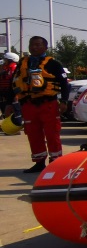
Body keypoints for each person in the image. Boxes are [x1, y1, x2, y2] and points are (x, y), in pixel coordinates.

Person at [4, 37, 70, 173]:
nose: (34, 47)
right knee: (33, 134)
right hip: (28, 105)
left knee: (52, 134)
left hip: (48, 104)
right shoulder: (22, 64)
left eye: (37, 45)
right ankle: (39, 163)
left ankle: (55, 162)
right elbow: (13, 84)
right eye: (31, 45)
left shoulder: (53, 64)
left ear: (45, 47)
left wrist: (64, 101)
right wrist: (9, 103)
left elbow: (65, 84)